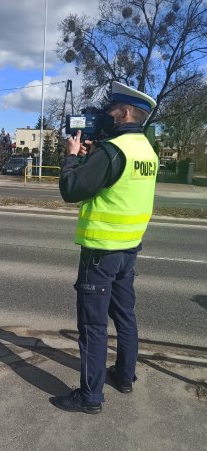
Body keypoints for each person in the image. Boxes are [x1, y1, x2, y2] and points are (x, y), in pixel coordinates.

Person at [51, 81, 158, 414]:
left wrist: (71, 159)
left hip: (101, 252)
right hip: (129, 249)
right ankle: (125, 376)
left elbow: (71, 189)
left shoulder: (114, 151)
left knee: (93, 326)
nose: (105, 114)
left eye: (111, 109)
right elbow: (116, 186)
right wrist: (91, 158)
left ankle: (90, 397)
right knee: (125, 316)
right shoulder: (146, 151)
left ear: (125, 112)